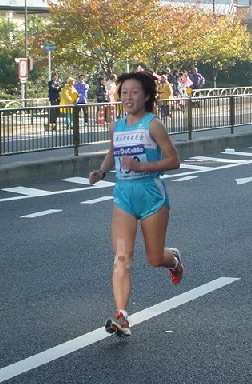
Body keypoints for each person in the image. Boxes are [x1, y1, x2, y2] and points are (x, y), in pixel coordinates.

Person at [88, 71, 184, 337]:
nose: (127, 97)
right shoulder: (117, 125)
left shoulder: (153, 125)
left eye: (134, 92)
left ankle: (173, 260)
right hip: (124, 198)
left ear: (147, 96)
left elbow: (174, 161)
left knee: (155, 258)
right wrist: (101, 171)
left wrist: (141, 166)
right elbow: (113, 151)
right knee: (121, 257)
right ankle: (122, 316)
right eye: (124, 92)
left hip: (152, 196)